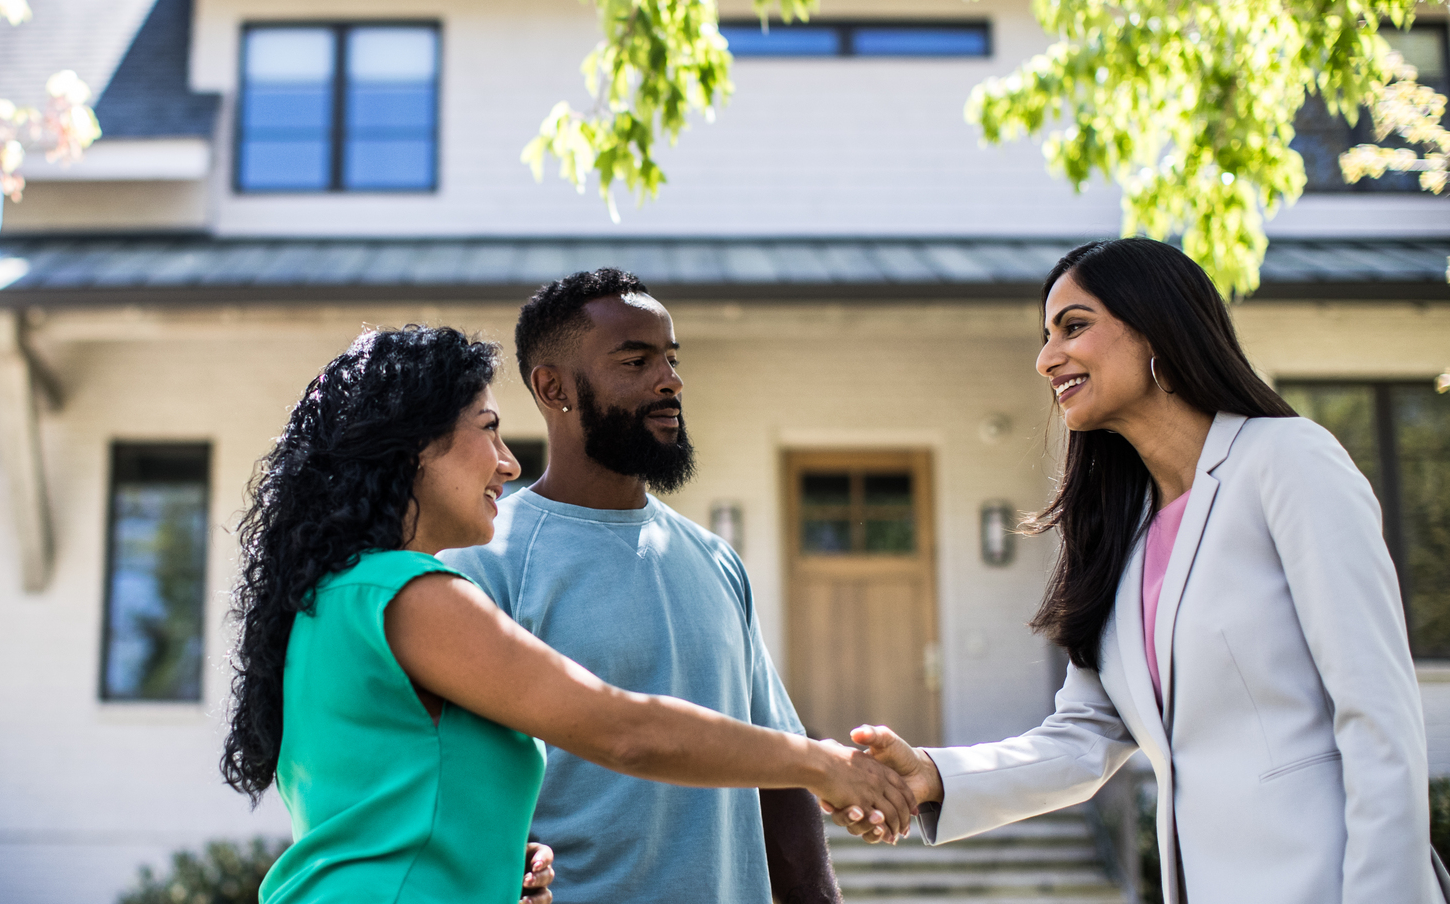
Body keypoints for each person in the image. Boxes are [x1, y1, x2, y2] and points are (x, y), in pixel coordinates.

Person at [832, 237, 1445, 904]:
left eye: (1074, 326)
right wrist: (930, 774)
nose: (1045, 359)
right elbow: (1084, 736)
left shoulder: (1288, 461)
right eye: (1045, 336)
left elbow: (1378, 715)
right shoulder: (1124, 538)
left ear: (1157, 326)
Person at [220, 325, 914, 904]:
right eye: (488, 431)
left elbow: (388, 810)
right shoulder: (413, 595)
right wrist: (824, 764)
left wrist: (487, 870)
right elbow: (624, 730)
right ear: (411, 447)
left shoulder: (334, 598)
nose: (507, 463)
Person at [441, 269, 846, 904]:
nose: (670, 380)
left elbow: (779, 776)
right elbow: (458, 794)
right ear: (553, 388)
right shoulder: (481, 562)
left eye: (671, 359)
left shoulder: (716, 560)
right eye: (635, 359)